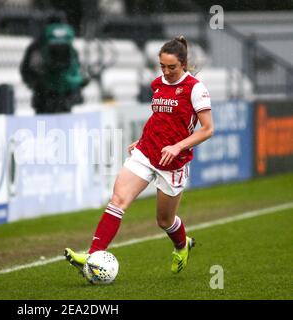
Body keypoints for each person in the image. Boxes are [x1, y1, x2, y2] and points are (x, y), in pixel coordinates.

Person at [65, 36, 214, 275]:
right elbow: (160, 117)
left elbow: (207, 129)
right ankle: (92, 255)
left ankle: (182, 244)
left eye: (172, 67)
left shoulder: (195, 88)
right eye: (162, 66)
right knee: (118, 200)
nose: (166, 72)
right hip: (146, 152)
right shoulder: (158, 83)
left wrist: (177, 147)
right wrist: (144, 139)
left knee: (164, 221)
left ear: (184, 64)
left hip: (173, 162)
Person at [20, 20, 89, 114]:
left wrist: (35, 84)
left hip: (48, 96)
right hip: (57, 97)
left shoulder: (37, 46)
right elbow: (79, 72)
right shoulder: (39, 48)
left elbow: (26, 71)